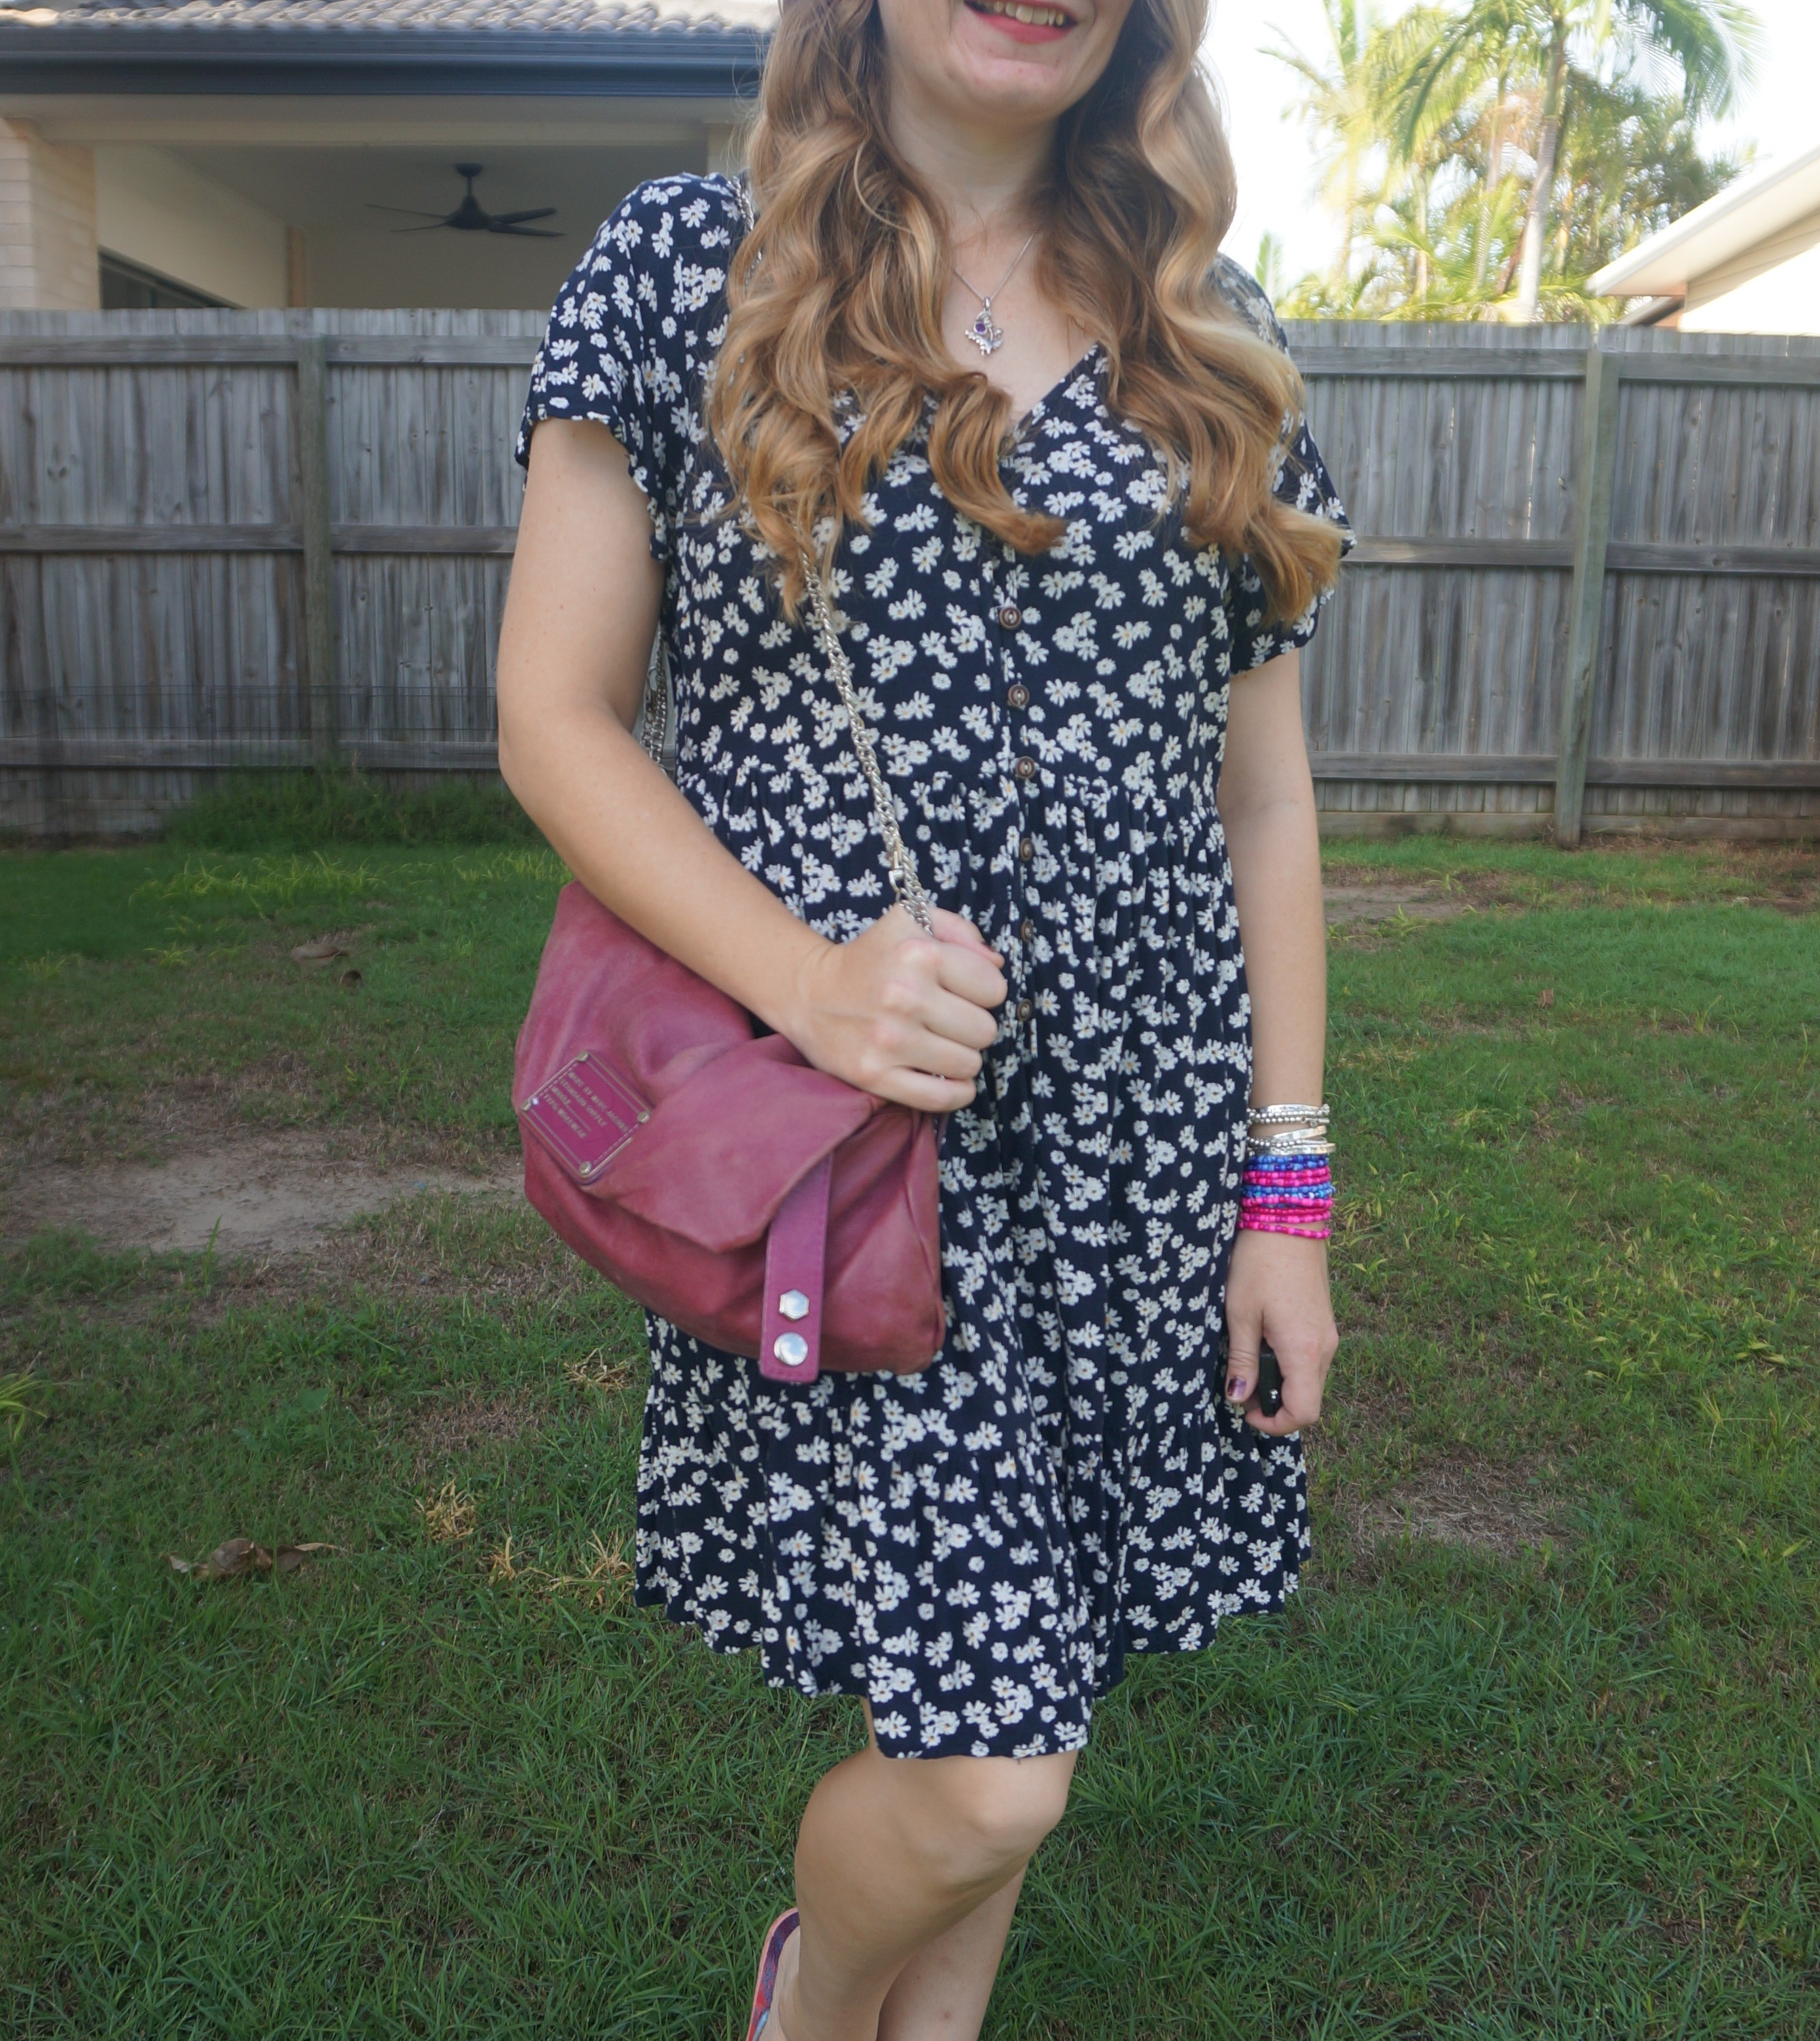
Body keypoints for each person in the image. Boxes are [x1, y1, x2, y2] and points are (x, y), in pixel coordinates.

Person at [497, 0, 1350, 2028]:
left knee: (1021, 1680)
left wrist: (1287, 1193)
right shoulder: (692, 272)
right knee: (986, 1774)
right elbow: (551, 712)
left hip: (1145, 1159)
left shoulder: (1203, 326)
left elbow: (1268, 803)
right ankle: (807, 2002)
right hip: (865, 1152)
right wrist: (811, 981)